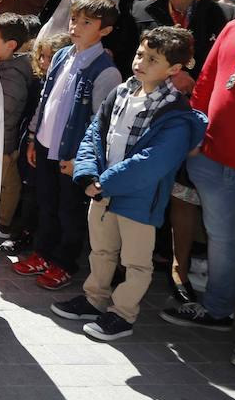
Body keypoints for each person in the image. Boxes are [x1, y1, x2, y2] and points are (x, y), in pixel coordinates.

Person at [54, 27, 204, 340]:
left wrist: (104, 183)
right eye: (140, 54)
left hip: (138, 198)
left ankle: (122, 314)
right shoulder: (121, 92)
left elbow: (152, 161)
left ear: (173, 69)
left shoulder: (175, 112)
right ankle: (94, 298)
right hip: (101, 190)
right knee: (101, 250)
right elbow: (95, 134)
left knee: (136, 262)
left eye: (152, 59)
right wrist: (87, 173)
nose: (141, 62)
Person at [133, 0, 235, 302]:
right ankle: (134, 261)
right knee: (143, 185)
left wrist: (192, 80)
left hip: (195, 120)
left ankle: (179, 267)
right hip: (145, 116)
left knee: (184, 194)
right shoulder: (139, 11)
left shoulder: (223, 17)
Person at [161, 13, 235, 370]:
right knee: (222, 239)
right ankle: (217, 310)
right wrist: (195, 136)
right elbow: (205, 84)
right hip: (213, 160)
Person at [16, 0, 124, 290]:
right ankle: (43, 253)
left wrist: (82, 159)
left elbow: (100, 123)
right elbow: (45, 98)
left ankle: (64, 262)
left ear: (105, 30)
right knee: (45, 203)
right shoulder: (63, 55)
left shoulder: (106, 71)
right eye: (75, 19)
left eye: (87, 22)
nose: (76, 26)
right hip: (45, 144)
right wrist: (32, 137)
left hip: (71, 154)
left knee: (69, 210)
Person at [0, 14, 39, 241]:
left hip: (3, 142)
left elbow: (5, 109)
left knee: (6, 185)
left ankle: (2, 224)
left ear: (11, 45)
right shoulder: (5, 66)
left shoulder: (14, 74)